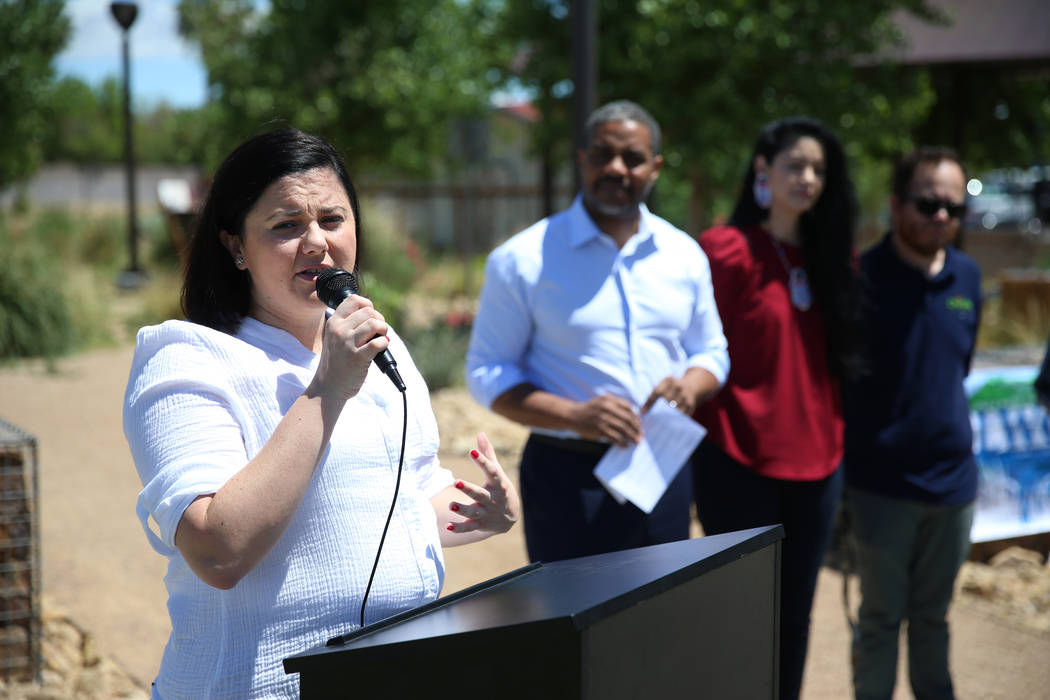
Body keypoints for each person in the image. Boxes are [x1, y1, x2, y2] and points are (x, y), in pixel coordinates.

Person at [123, 127, 520, 699]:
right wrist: (328, 388)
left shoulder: (379, 344)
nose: (316, 243)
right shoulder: (186, 357)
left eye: (332, 220)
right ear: (235, 245)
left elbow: (388, 512)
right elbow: (217, 552)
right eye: (286, 225)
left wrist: (480, 512)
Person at [465, 100, 729, 563]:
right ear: (582, 158)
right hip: (565, 476)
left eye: (632, 158)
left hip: (660, 466)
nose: (616, 168)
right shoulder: (522, 259)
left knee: (664, 618)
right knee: (571, 628)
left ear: (656, 168)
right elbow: (487, 371)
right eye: (603, 154)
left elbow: (712, 350)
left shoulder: (684, 255)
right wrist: (574, 415)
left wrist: (690, 386)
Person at [690, 116, 863, 700]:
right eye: (795, 165)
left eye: (818, 169)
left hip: (819, 464)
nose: (808, 178)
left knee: (796, 615)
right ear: (763, 170)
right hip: (736, 458)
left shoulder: (835, 258)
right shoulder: (726, 249)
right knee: (738, 614)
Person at [843, 146, 980, 700]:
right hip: (882, 488)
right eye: (927, 203)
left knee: (933, 619)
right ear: (897, 205)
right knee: (878, 620)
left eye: (953, 206)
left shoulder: (968, 277)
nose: (941, 216)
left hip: (954, 487)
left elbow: (959, 366)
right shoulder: (861, 278)